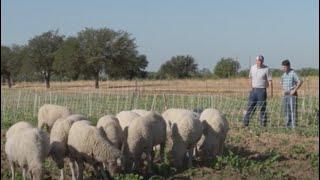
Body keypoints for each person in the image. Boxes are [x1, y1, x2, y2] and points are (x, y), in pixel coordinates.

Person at [243, 55, 273, 127]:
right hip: (253, 91)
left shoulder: (266, 69)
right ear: (256, 61)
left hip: (262, 91)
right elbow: (250, 78)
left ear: (263, 61)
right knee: (250, 107)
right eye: (258, 60)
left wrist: (271, 92)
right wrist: (251, 88)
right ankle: (245, 124)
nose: (260, 62)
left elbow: (270, 81)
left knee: (262, 108)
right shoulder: (252, 68)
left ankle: (263, 125)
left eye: (261, 60)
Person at [280, 59, 303, 128]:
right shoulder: (284, 74)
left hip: (292, 94)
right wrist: (283, 89)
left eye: (284, 67)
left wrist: (294, 90)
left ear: (288, 66)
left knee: (293, 110)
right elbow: (281, 82)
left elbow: (300, 81)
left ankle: (294, 126)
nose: (283, 68)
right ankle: (287, 126)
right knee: (286, 110)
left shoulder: (293, 73)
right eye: (283, 67)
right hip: (285, 95)